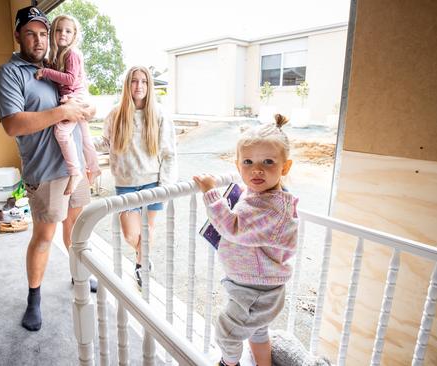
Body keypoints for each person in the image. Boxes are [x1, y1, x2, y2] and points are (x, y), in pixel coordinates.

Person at [0, 5, 96, 332]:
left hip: (73, 166)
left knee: (75, 229)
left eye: (43, 34)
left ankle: (78, 273)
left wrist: (87, 109)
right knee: (43, 236)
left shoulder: (54, 66)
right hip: (45, 172)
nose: (38, 40)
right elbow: (13, 124)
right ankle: (34, 298)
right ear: (18, 36)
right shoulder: (10, 73)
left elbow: (79, 100)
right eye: (30, 34)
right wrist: (63, 112)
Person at [193, 114, 299, 366]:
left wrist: (211, 193)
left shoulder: (271, 209)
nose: (257, 169)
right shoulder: (262, 194)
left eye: (268, 162)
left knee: (227, 333)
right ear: (238, 166)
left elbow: (232, 227)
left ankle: (229, 364)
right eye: (248, 162)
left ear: (284, 167)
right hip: (257, 286)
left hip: (256, 291)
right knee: (258, 332)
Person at [94, 66, 177, 288]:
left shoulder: (159, 114)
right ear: (127, 85)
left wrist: (166, 186)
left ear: (149, 86)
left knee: (148, 228)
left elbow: (169, 153)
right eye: (134, 81)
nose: (139, 86)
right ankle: (144, 256)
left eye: (144, 82)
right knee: (131, 235)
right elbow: (105, 143)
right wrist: (82, 141)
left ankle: (141, 265)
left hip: (153, 183)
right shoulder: (116, 113)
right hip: (126, 184)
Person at [35, 14, 100, 195]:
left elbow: (70, 79)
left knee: (61, 133)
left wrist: (47, 72)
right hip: (74, 96)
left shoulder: (72, 53)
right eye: (58, 30)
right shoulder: (59, 55)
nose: (63, 34)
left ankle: (75, 172)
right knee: (85, 137)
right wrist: (49, 65)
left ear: (74, 35)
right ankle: (94, 168)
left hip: (76, 96)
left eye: (68, 31)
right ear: (53, 33)